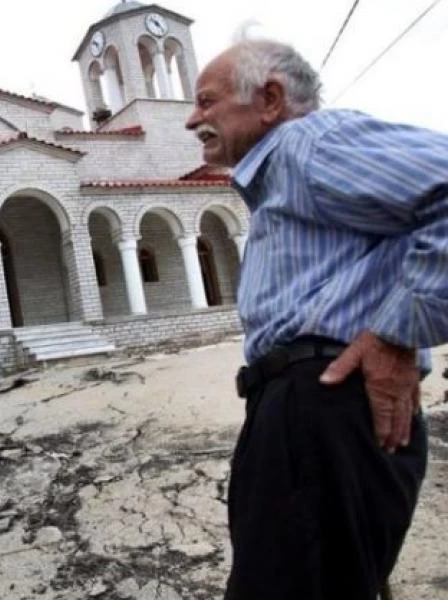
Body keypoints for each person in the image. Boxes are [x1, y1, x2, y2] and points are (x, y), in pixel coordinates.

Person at [185, 39, 447, 599]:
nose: (192, 119)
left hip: (325, 407)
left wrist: (399, 333)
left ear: (271, 99)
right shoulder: (285, 173)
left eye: (207, 102)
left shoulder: (309, 144)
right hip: (307, 412)